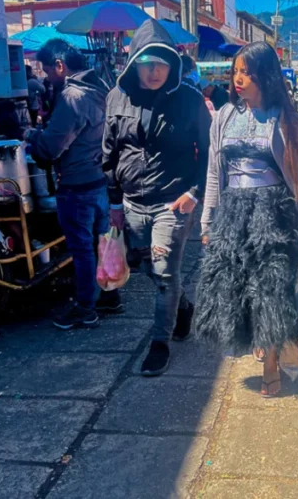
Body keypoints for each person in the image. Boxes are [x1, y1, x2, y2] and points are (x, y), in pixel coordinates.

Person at [194, 42, 298, 396]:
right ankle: (258, 341)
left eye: (246, 73)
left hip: (273, 214)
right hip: (233, 213)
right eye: (235, 72)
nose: (238, 79)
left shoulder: (285, 119)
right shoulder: (224, 116)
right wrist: (207, 222)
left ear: (265, 75)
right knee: (236, 286)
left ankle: (271, 363)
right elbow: (214, 173)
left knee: (271, 289)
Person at [103, 20, 212, 375]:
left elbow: (210, 152)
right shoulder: (116, 98)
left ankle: (159, 343)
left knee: (165, 272)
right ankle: (183, 308)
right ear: (134, 62)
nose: (154, 71)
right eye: (146, 63)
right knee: (149, 268)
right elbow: (109, 153)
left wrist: (194, 193)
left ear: (172, 64)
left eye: (161, 63)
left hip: (173, 202)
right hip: (132, 202)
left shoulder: (190, 100)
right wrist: (115, 203)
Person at [25, 39, 110, 330]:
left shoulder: (72, 97)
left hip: (77, 184)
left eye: (48, 70)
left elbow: (51, 148)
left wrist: (34, 137)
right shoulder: (99, 88)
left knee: (83, 249)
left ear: (60, 66)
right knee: (102, 244)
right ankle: (110, 296)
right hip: (98, 180)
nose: (47, 77)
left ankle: (86, 308)